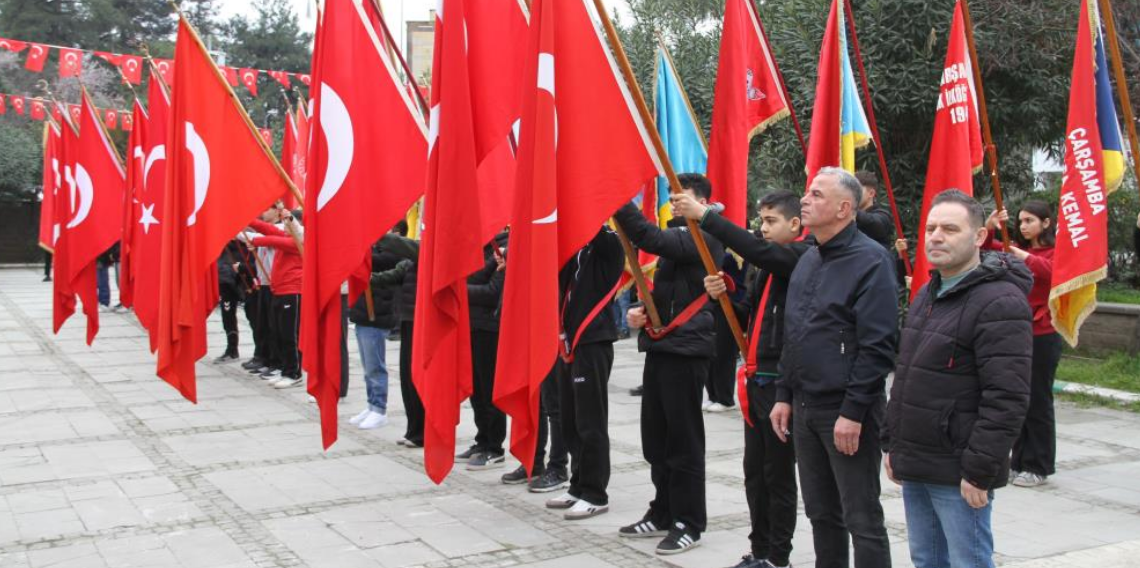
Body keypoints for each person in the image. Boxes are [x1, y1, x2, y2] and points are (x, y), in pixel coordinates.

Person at [887, 189, 1032, 568]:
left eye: (950, 229)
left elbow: (1007, 396)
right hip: (918, 461)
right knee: (927, 559)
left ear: (979, 237)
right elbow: (907, 376)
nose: (936, 236)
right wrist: (893, 445)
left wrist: (980, 470)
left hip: (959, 469)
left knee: (968, 561)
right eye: (931, 228)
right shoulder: (928, 293)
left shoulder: (1000, 301)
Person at [769, 167, 897, 568]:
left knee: (861, 515)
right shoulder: (809, 258)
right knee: (821, 513)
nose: (805, 200)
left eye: (816, 195)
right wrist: (783, 395)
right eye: (808, 192)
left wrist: (854, 411)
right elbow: (795, 333)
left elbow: (878, 347)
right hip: (805, 407)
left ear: (845, 208)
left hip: (846, 410)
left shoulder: (872, 261)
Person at [674, 190, 806, 568]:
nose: (762, 229)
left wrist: (706, 217)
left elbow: (760, 252)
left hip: (779, 383)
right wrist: (724, 298)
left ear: (795, 224)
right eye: (760, 221)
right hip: (754, 378)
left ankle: (778, 557)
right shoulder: (765, 267)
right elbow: (748, 317)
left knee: (778, 477)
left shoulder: (799, 256)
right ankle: (759, 549)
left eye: (770, 221)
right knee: (755, 475)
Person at [614, 173, 725, 556]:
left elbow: (649, 237)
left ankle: (688, 521)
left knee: (684, 442)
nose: (675, 202)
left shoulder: (705, 236)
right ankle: (662, 511)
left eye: (684, 197)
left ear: (704, 202)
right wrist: (642, 312)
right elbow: (672, 293)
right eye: (673, 197)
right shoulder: (677, 239)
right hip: (662, 348)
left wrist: (613, 196)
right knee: (655, 439)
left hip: (687, 352)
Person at [538, 228, 624, 520]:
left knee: (590, 422)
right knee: (571, 419)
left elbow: (594, 226)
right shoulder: (577, 250)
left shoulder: (608, 243)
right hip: (569, 341)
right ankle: (578, 485)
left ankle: (595, 493)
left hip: (593, 342)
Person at [985, 200, 1058, 488]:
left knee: (1038, 401)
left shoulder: (1050, 251)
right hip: (1016, 331)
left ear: (1046, 223)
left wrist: (1018, 254)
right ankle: (1018, 460)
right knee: (1017, 398)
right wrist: (990, 227)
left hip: (1043, 332)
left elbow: (1050, 272)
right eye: (1021, 221)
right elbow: (985, 250)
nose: (1025, 225)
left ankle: (1039, 464)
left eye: (1030, 220)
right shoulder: (1015, 248)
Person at [460, 233, 510, 470]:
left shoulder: (502, 248)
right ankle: (482, 440)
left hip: (491, 328)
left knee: (490, 390)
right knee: (476, 390)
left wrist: (458, 290)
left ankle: (494, 447)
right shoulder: (475, 247)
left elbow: (492, 292)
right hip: (471, 325)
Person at [349, 237, 407, 430]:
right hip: (362, 312)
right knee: (367, 366)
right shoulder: (369, 246)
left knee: (375, 366)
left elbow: (379, 261)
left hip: (378, 313)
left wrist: (360, 250)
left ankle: (379, 408)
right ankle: (371, 403)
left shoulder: (390, 249)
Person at [376, 232, 425, 448]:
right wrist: (360, 276)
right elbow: (388, 276)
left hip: (424, 324)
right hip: (408, 320)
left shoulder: (428, 250)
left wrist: (375, 233)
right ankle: (413, 430)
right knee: (407, 378)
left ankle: (423, 432)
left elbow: (412, 247)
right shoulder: (409, 261)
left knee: (420, 379)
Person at [249, 207, 304, 389]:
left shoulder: (300, 240)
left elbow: (269, 239)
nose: (283, 227)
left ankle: (294, 373)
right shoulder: (287, 235)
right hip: (279, 290)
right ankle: (284, 369)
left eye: (287, 223)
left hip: (293, 290)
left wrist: (249, 238)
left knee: (290, 335)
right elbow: (267, 229)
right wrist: (246, 219)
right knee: (279, 333)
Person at [215, 239, 254, 363]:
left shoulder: (243, 235)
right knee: (228, 316)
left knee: (254, 318)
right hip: (225, 279)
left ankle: (262, 353)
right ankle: (232, 349)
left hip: (243, 279)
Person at [854, 171, 895, 250]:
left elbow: (876, 224)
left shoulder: (883, 215)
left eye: (857, 191)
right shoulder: (848, 215)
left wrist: (851, 209)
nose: (852, 194)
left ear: (871, 193)